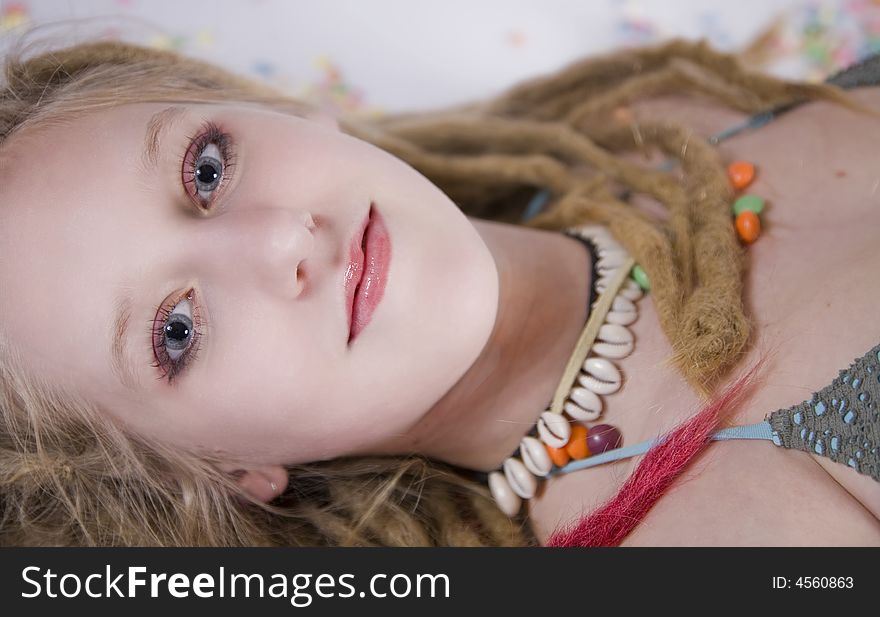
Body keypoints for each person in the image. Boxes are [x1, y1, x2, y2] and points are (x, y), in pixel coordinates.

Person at [0, 34, 877, 547]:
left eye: (209, 166)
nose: (278, 239)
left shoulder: (653, 110)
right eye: (178, 331)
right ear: (226, 473)